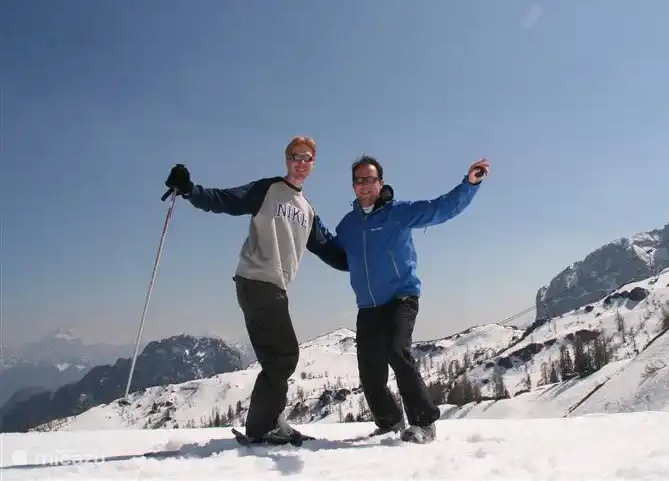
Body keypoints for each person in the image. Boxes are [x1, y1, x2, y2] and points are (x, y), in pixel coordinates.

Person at [162, 136, 348, 444]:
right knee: (284, 356)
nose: (300, 163)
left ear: (314, 164)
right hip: (257, 282)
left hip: (273, 288)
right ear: (286, 160)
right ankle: (263, 428)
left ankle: (268, 423)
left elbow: (332, 251)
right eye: (294, 157)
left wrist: (367, 258)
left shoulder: (308, 211)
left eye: (306, 158)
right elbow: (226, 199)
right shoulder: (268, 190)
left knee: (278, 359)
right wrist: (190, 190)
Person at [332, 155, 489, 443]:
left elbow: (439, 208)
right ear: (353, 186)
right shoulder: (348, 226)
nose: (364, 185)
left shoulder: (398, 213)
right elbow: (339, 255)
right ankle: (389, 421)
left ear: (380, 182)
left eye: (370, 179)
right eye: (359, 180)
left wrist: (469, 184)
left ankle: (424, 422)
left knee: (396, 349)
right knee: (369, 369)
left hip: (401, 296)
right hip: (368, 305)